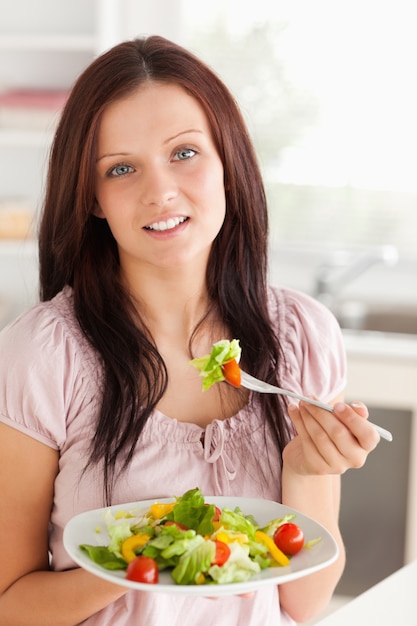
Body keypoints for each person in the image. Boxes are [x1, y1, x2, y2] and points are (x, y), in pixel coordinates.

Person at [0, 36, 379, 626]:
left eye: (184, 153)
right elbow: (9, 603)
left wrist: (306, 470)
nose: (161, 192)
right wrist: (139, 560)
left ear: (228, 159)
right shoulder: (44, 355)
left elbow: (302, 604)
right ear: (93, 198)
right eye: (121, 168)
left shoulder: (303, 337)